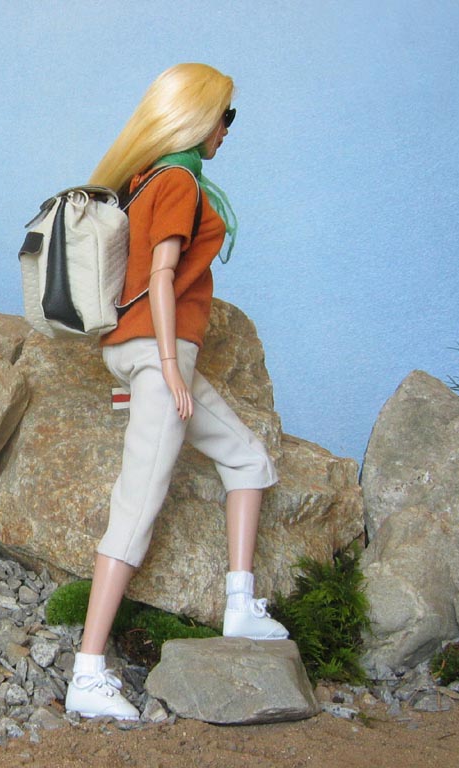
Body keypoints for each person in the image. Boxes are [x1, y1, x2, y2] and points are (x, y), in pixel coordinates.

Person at [64, 63, 289, 721]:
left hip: (143, 352)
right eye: (225, 115)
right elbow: (161, 276)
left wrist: (169, 367)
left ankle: (239, 604)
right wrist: (168, 366)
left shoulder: (143, 180)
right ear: (197, 116)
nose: (228, 129)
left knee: (247, 458)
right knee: (136, 507)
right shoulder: (179, 181)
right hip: (158, 351)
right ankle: (87, 672)